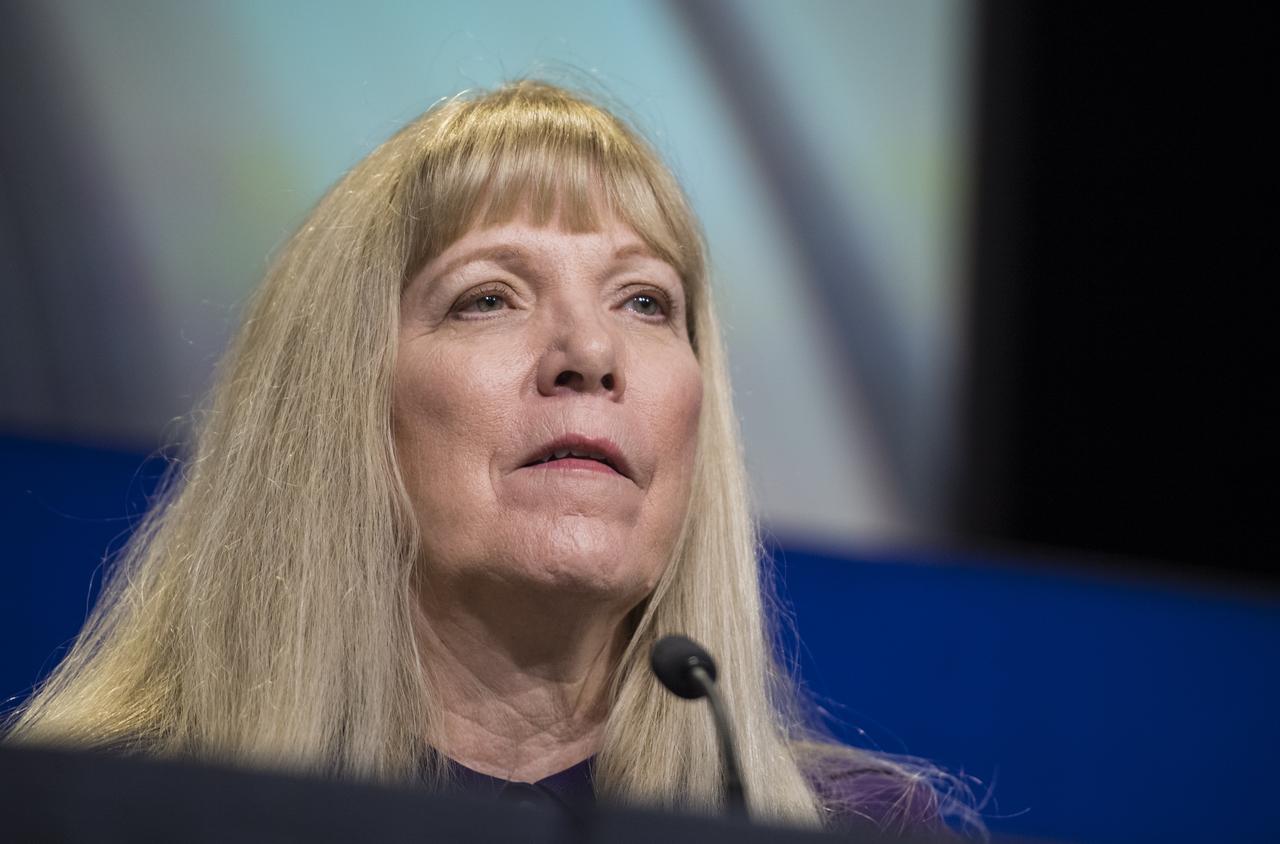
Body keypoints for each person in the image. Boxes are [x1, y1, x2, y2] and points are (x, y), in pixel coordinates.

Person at [4, 80, 981, 837]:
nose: (590, 356)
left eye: (644, 302)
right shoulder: (94, 809)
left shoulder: (857, 831)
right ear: (342, 404)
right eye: (489, 298)